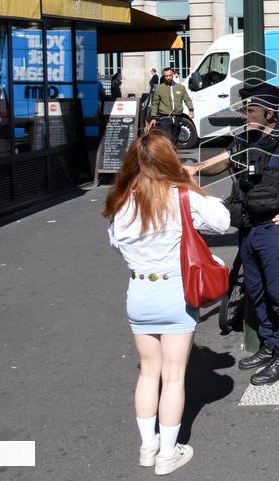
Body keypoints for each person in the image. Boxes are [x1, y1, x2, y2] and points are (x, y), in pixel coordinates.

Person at [103, 132, 231, 475]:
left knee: (148, 372)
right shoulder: (181, 196)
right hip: (175, 291)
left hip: (139, 290)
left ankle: (148, 447)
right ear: (169, 160)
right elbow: (222, 221)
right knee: (174, 378)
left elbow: (117, 244)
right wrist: (193, 186)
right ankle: (168, 453)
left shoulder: (122, 200)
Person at [193, 83, 279, 385]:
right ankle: (270, 344)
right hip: (250, 227)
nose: (246, 114)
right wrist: (195, 169)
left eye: (251, 109)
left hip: (278, 230)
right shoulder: (245, 139)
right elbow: (224, 160)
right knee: (256, 292)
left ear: (270, 112)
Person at [150, 68, 194, 144]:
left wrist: (191, 110)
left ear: (173, 75)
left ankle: (173, 154)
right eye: (166, 76)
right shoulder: (160, 89)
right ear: (164, 76)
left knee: (175, 139)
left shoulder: (180, 87)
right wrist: (153, 117)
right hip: (165, 118)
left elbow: (187, 99)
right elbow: (155, 104)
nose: (168, 78)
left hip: (177, 117)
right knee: (168, 139)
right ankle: (168, 154)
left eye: (170, 75)